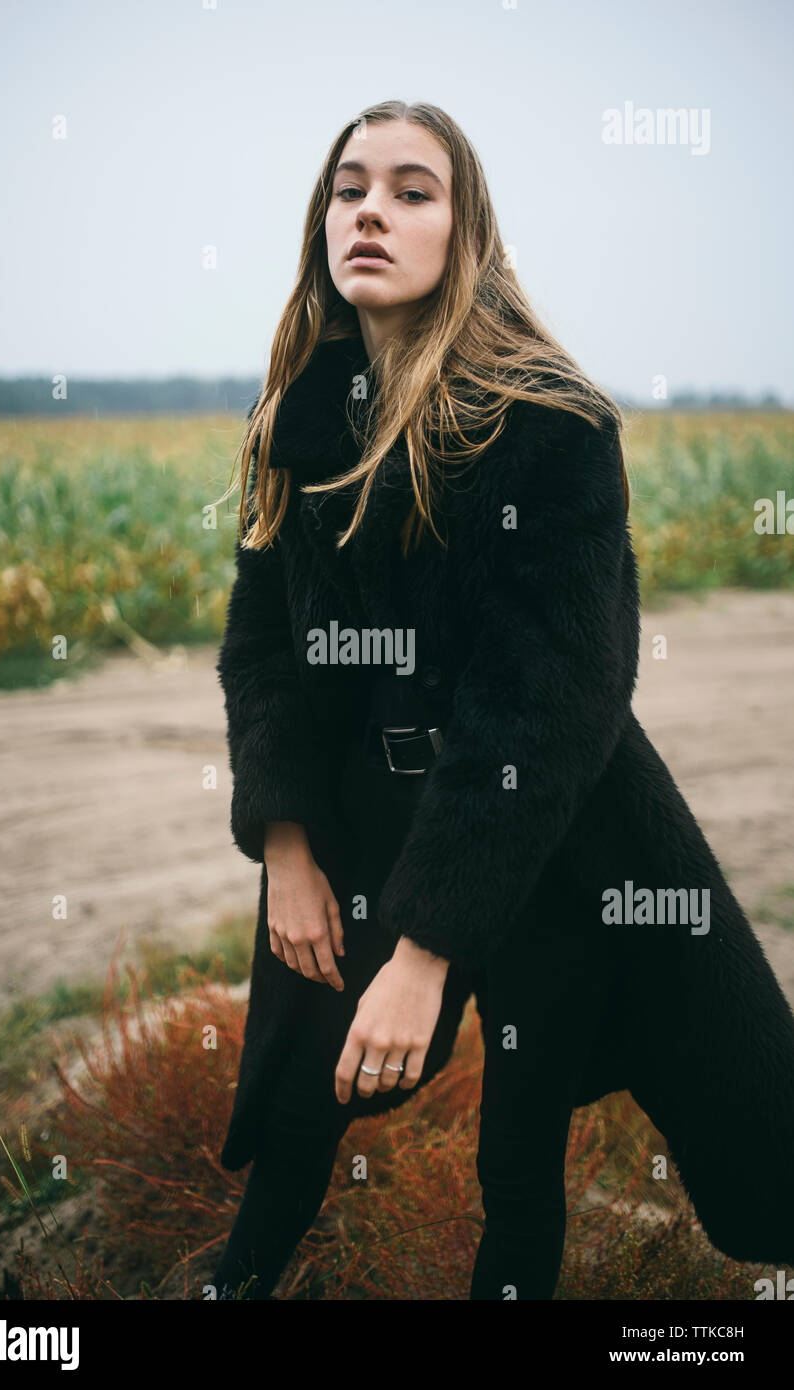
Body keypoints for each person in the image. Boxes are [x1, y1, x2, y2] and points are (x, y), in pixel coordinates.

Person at [208, 100, 794, 1301]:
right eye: (348, 187)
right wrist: (284, 843)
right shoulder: (298, 421)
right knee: (299, 1081)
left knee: (526, 1148)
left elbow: (546, 705)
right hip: (367, 821)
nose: (369, 209)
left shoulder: (552, 429)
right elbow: (261, 648)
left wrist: (427, 945)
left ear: (464, 232)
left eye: (411, 191)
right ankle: (229, 1286)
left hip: (553, 835)